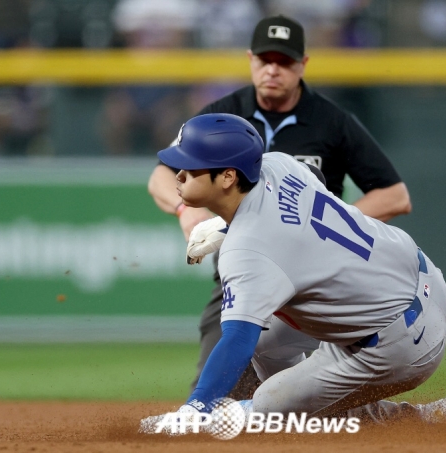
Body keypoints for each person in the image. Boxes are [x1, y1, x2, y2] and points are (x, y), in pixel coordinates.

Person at [140, 113, 446, 432]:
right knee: (265, 342)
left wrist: (195, 408)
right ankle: (315, 405)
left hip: (403, 341)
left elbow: (236, 342)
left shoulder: (247, 251)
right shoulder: (276, 164)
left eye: (191, 167)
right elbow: (314, 182)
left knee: (269, 403)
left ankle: (408, 418)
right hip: (418, 275)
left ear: (227, 177)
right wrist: (229, 225)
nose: (179, 175)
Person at [147, 15, 412, 395]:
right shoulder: (221, 115)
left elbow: (395, 195)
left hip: (312, 279)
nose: (273, 69)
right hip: (240, 275)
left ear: (303, 65)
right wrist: (187, 209)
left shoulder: (332, 122)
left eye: (284, 61)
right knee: (222, 387)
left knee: (322, 400)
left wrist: (317, 225)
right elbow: (160, 175)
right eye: (265, 59)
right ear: (251, 59)